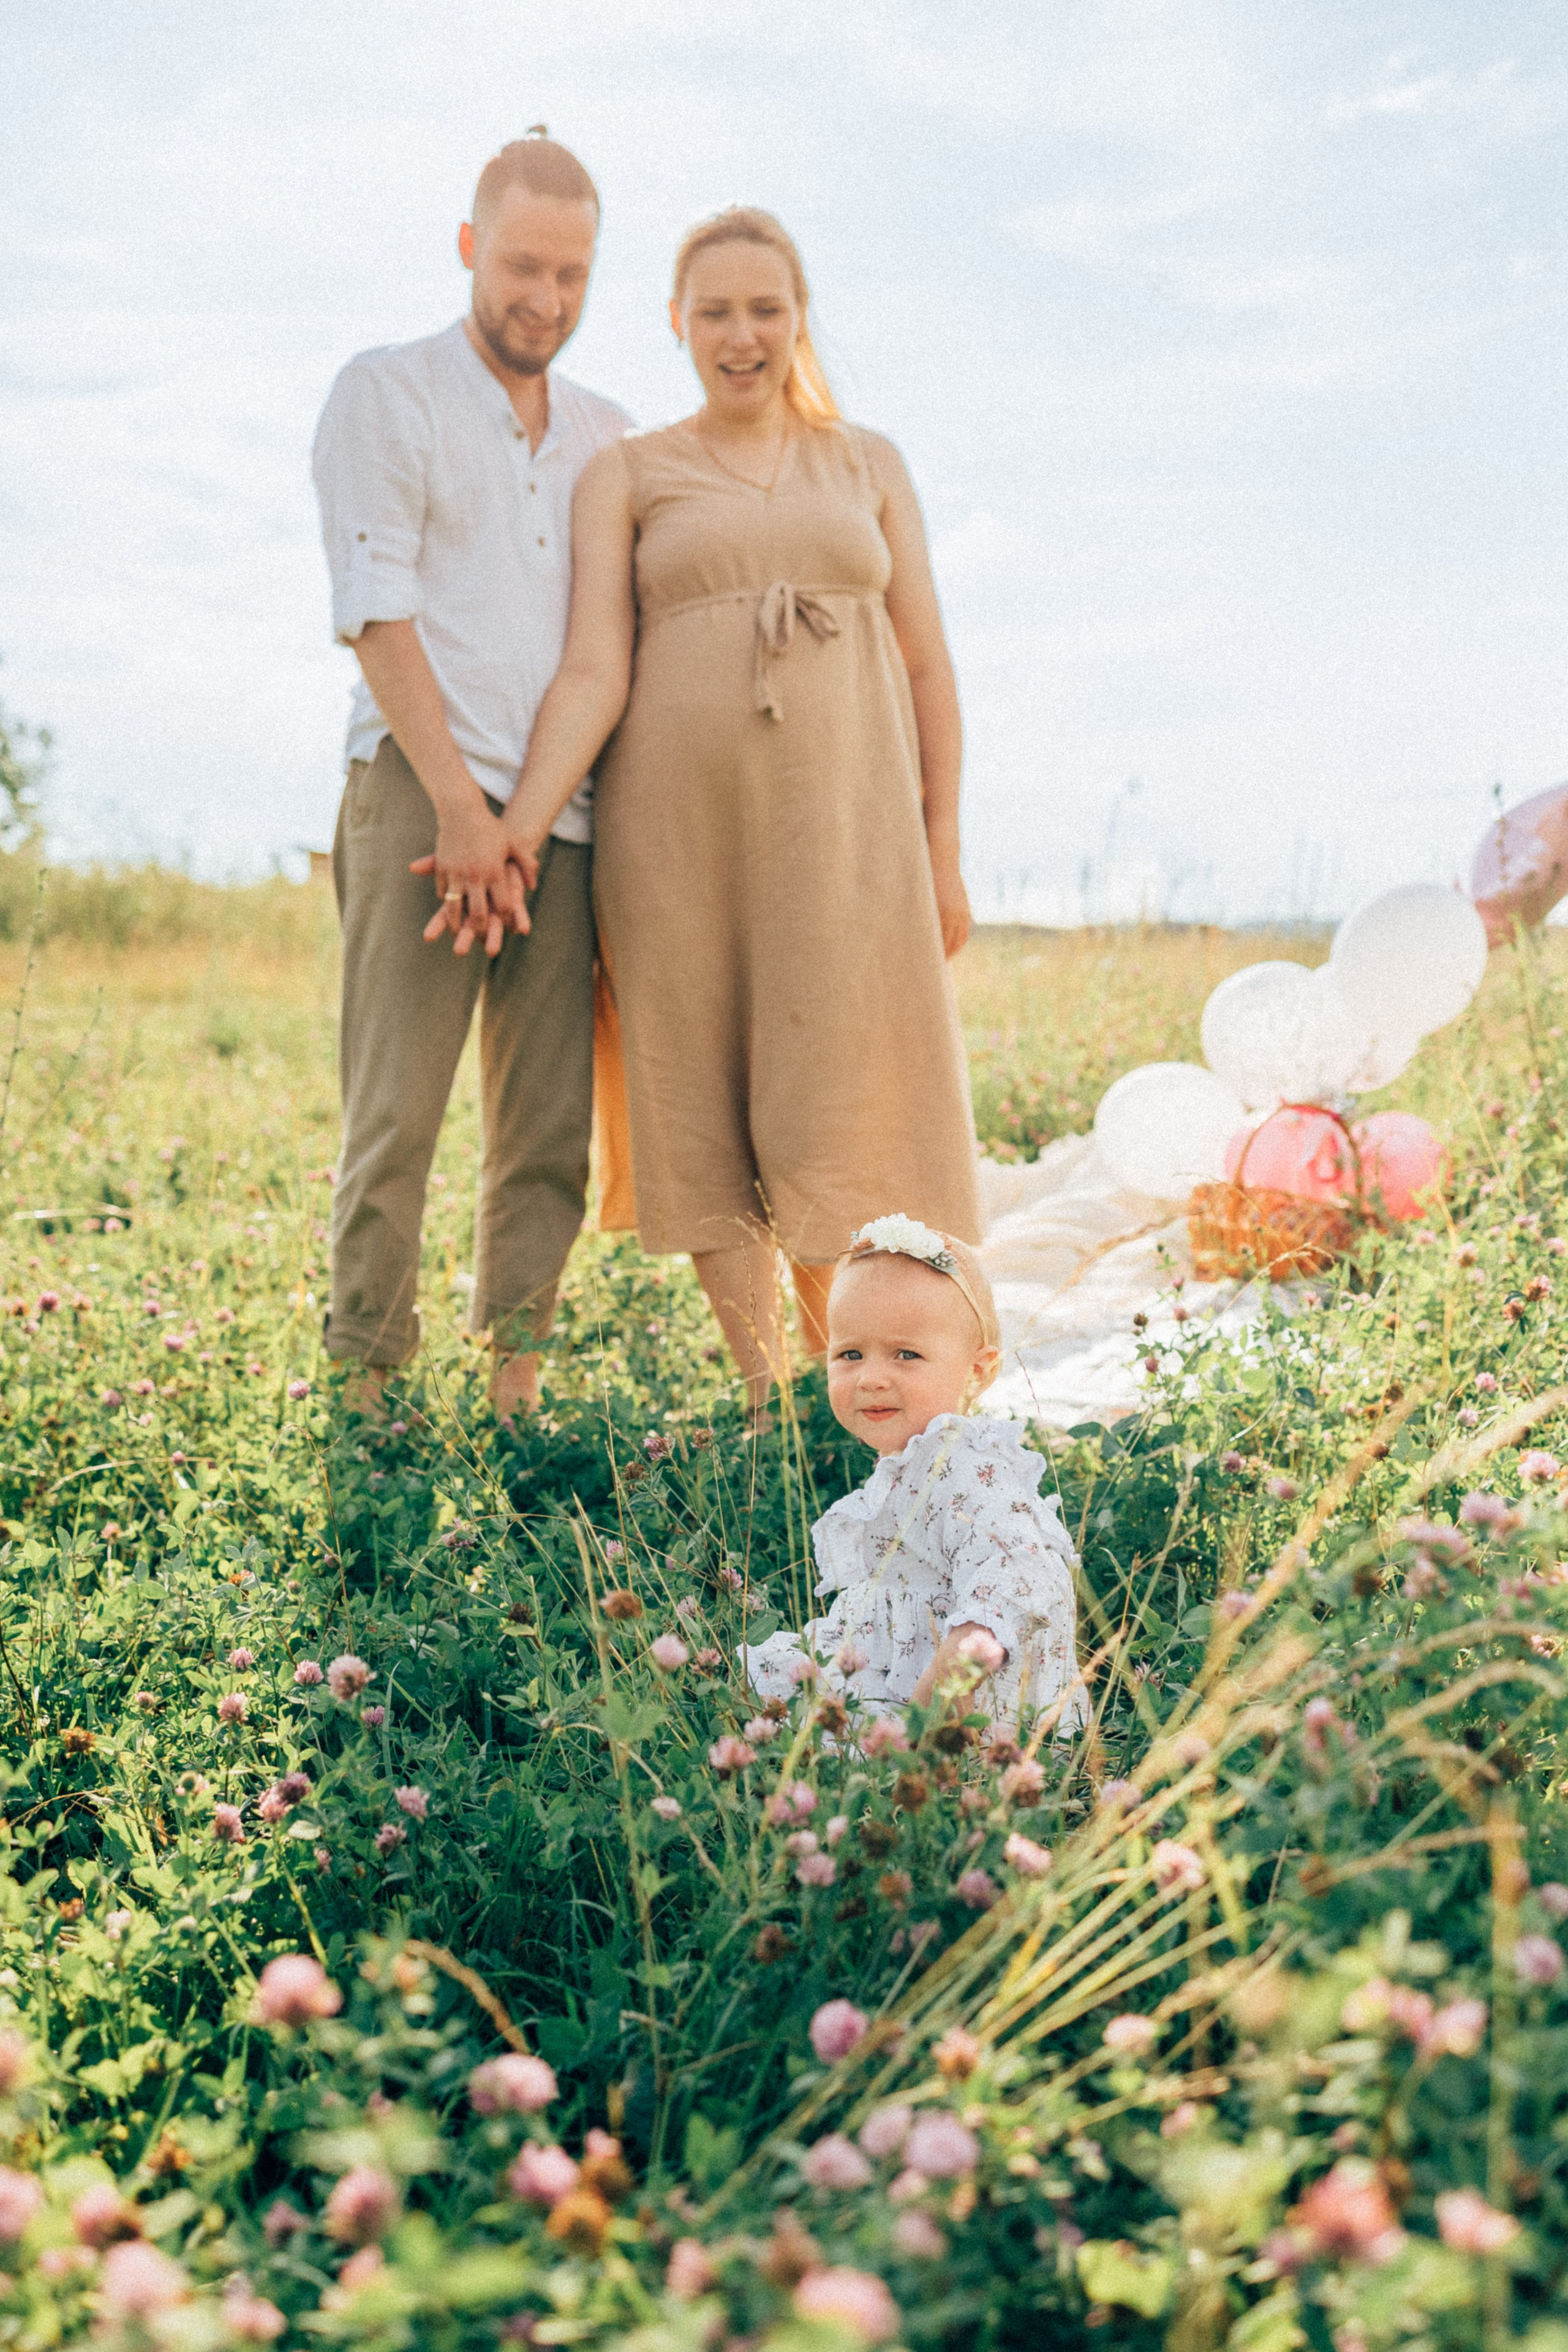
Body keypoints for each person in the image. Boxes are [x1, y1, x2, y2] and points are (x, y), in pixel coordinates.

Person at [464, 205, 979, 1419]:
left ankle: (855, 1378)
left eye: (764, 308)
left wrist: (941, 841)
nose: (739, 334)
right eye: (713, 312)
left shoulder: (868, 462)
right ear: (677, 326)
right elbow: (594, 668)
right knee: (703, 1096)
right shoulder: (630, 472)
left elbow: (926, 666)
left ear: (797, 317)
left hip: (850, 841)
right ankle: (772, 1399)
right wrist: (517, 832)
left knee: (842, 1098)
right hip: (679, 846)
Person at [311, 132, 630, 1415]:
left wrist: (520, 827)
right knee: (394, 1117)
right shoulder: (384, 392)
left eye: (570, 275)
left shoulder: (613, 437)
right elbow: (376, 610)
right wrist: (461, 812)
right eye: (518, 266)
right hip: (416, 795)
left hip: (559, 825)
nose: (541, 299)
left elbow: (603, 651)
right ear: (467, 248)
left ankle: (515, 1394)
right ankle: (367, 1396)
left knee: (545, 1129)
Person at [742, 1215, 1084, 1727]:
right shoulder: (917, 1458)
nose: (873, 1378)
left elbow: (1022, 1573)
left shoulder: (970, 1473)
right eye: (850, 1354)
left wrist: (951, 1683)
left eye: (907, 1354)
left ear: (978, 1371)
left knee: (825, 1729)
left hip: (954, 1702)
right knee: (763, 1681)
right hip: (894, 1657)